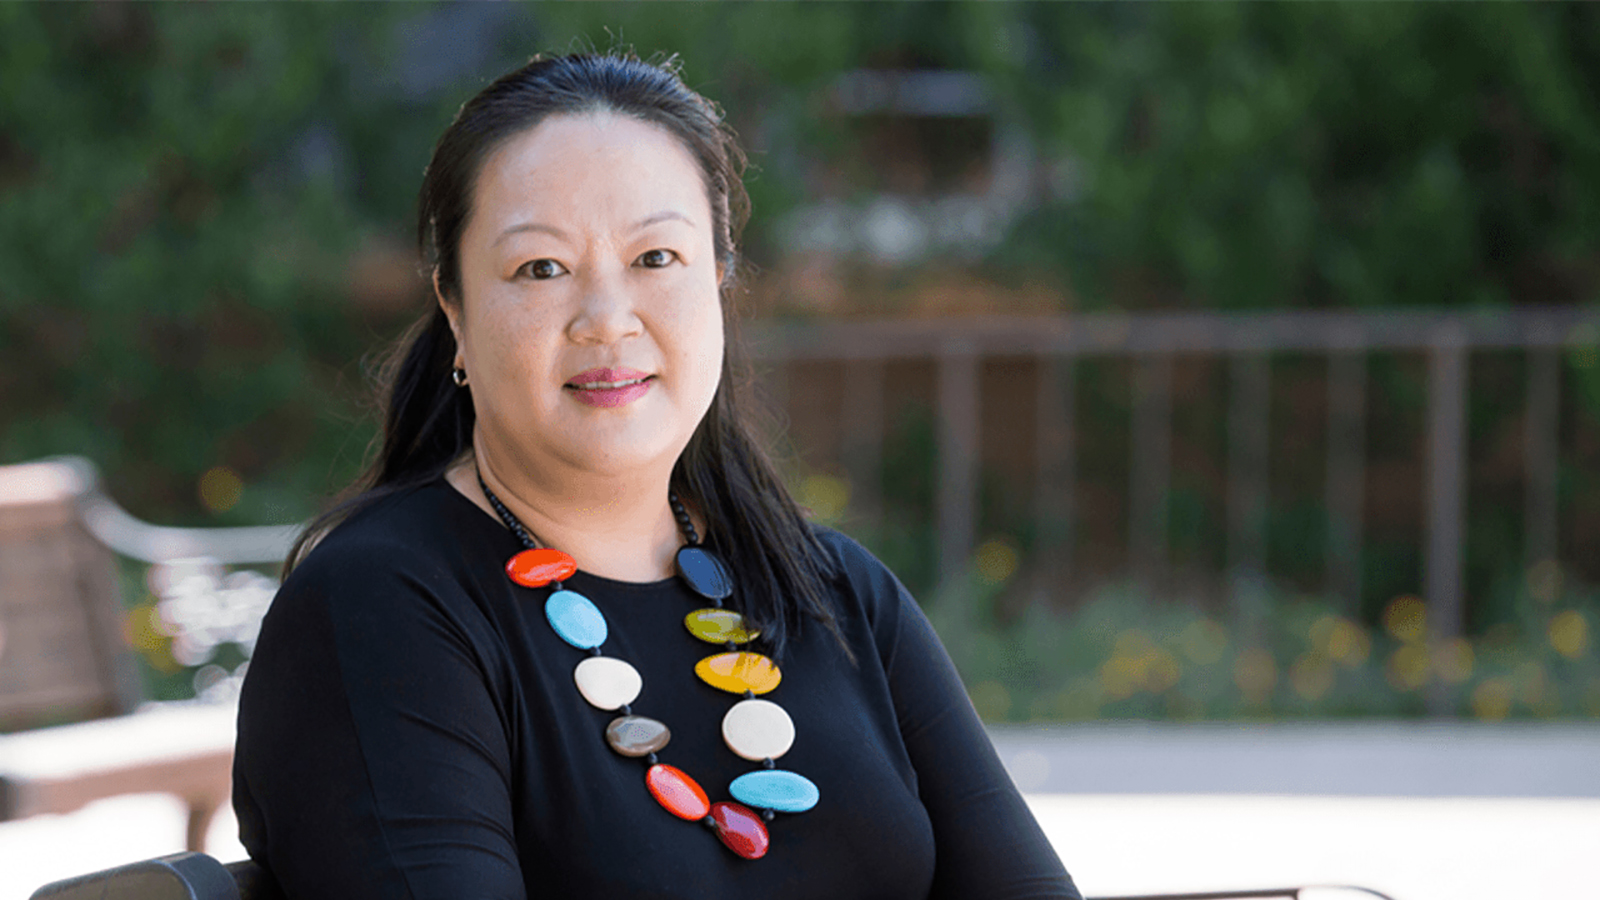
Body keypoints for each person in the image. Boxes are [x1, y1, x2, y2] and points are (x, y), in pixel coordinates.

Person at [233, 50, 1081, 900]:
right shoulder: (380, 610)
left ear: (718, 279)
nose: (607, 319)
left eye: (657, 258)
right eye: (541, 268)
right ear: (454, 308)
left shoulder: (834, 593)